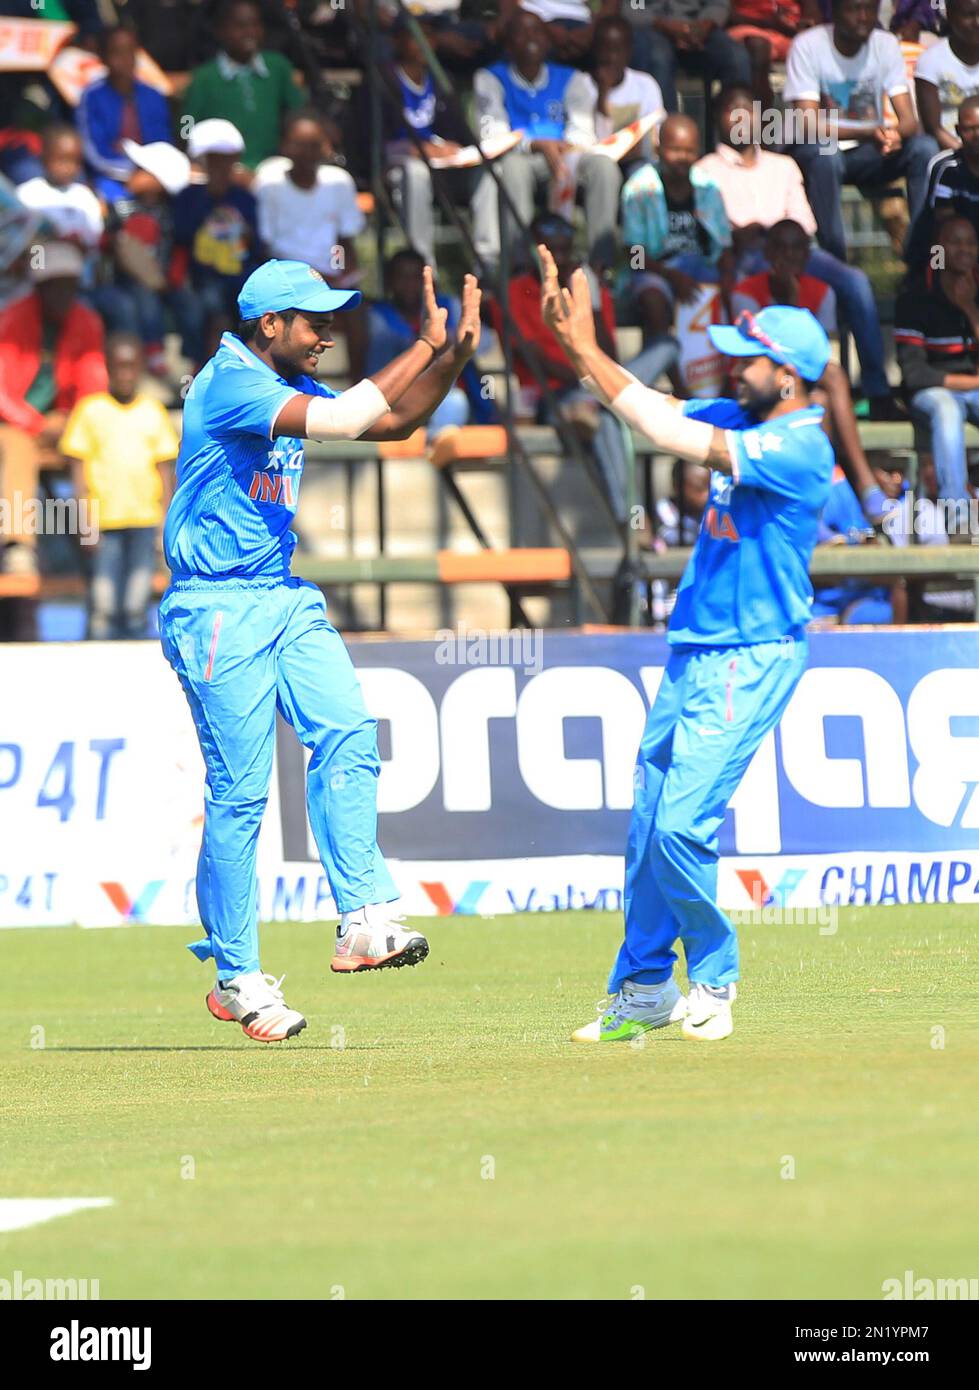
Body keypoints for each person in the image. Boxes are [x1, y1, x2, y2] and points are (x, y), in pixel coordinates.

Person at [160, 258, 482, 1042]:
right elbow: (346, 422)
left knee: (346, 730)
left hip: (281, 593)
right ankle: (236, 978)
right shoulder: (231, 382)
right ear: (269, 324)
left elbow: (394, 423)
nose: (326, 333)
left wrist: (451, 359)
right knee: (239, 796)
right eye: (313, 321)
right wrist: (424, 341)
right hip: (214, 609)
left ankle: (363, 919)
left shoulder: (284, 387)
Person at [538, 244, 835, 1043]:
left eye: (751, 363)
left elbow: (667, 433)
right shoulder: (743, 413)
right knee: (646, 829)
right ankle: (641, 988)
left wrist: (583, 351)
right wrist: (578, 348)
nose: (733, 371)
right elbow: (644, 400)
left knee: (680, 825)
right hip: (693, 651)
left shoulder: (802, 444)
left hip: (753, 653)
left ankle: (713, 976)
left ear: (790, 375)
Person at [697, 83, 897, 421]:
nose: (740, 118)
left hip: (796, 249)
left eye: (748, 110)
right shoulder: (705, 170)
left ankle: (877, 390)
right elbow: (716, 232)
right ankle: (750, 387)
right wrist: (747, 234)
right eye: (731, 110)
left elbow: (804, 223)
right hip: (745, 253)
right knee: (743, 281)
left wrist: (777, 238)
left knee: (855, 281)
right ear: (717, 118)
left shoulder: (783, 165)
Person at [784, 0, 939, 264]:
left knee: (924, 149)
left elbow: (909, 121)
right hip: (818, 150)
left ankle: (919, 256)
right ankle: (835, 262)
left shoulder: (885, 44)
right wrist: (872, 132)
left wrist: (894, 135)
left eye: (870, 9)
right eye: (854, 9)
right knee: (826, 156)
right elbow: (807, 124)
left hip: (870, 153)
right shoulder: (808, 45)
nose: (863, 17)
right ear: (835, 11)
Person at [472, 8, 621, 273]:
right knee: (513, 168)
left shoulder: (572, 78)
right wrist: (536, 144)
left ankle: (602, 265)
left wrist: (562, 149)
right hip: (523, 158)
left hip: (566, 158)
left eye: (537, 31)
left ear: (548, 39)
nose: (531, 37)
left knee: (603, 166)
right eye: (521, 32)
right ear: (508, 44)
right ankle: (522, 264)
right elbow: (492, 136)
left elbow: (583, 133)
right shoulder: (490, 78)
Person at [0, 242, 107, 596]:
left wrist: (70, 424)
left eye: (70, 285)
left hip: (60, 424)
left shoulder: (87, 322)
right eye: (56, 284)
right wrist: (34, 425)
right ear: (40, 287)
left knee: (99, 443)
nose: (64, 293)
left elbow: (93, 390)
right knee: (16, 448)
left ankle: (108, 536)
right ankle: (18, 545)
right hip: (14, 425)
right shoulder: (12, 319)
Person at [59, 333, 179, 639]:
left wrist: (165, 521)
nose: (125, 374)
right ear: (108, 368)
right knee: (103, 603)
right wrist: (83, 521)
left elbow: (165, 470)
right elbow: (77, 470)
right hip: (103, 523)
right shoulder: (90, 410)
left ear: (140, 368)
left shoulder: (152, 410)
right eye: (119, 367)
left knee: (136, 603)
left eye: (131, 366)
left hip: (143, 521)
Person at [254, 108, 367, 380]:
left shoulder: (339, 183)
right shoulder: (269, 184)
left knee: (359, 315)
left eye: (313, 145)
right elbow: (267, 247)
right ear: (284, 146)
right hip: (286, 277)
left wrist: (341, 273)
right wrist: (313, 277)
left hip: (331, 276)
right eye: (299, 145)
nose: (306, 152)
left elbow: (344, 241)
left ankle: (355, 390)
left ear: (324, 147)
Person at [621, 114, 733, 364]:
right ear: (659, 149)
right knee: (653, 297)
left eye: (689, 151)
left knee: (736, 294)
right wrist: (671, 276)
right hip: (655, 268)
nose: (683, 158)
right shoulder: (639, 189)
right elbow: (634, 257)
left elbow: (724, 245)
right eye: (675, 150)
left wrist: (727, 277)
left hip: (701, 266)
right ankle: (665, 371)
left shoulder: (708, 187)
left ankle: (726, 375)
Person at [895, 215, 979, 531]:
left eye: (971, 242)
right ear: (939, 249)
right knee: (945, 408)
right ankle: (957, 518)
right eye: (956, 242)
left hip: (970, 389)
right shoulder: (916, 295)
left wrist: (970, 310)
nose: (965, 249)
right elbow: (916, 375)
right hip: (930, 393)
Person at [367, 247, 491, 434]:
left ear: (429, 281)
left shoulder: (449, 307)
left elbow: (484, 345)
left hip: (441, 393)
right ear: (390, 282)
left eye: (416, 277)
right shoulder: (377, 316)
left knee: (454, 402)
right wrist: (426, 346)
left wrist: (455, 344)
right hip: (394, 397)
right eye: (402, 277)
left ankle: (436, 454)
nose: (409, 284)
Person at [172, 118, 262, 367]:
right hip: (201, 277)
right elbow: (182, 238)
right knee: (211, 307)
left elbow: (254, 245)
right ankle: (206, 373)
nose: (221, 167)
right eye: (215, 160)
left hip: (240, 275)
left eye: (226, 160)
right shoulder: (188, 198)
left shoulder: (246, 200)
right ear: (205, 162)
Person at [181, 0, 304, 173]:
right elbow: (187, 124)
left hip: (273, 167)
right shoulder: (205, 77)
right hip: (223, 171)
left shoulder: (277, 67)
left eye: (255, 24)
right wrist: (189, 152)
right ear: (221, 31)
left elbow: (298, 112)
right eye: (240, 26)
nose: (250, 32)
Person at [77, 24, 173, 205]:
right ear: (103, 58)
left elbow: (163, 142)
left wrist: (152, 172)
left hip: (153, 174)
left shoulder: (153, 96)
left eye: (130, 52)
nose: (125, 59)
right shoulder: (91, 97)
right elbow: (92, 150)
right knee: (116, 206)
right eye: (117, 53)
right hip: (109, 176)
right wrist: (130, 173)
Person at [631, 0, 752, 114]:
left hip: (698, 27)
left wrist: (704, 25)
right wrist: (660, 23)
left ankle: (737, 131)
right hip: (652, 29)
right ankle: (668, 131)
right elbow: (633, 6)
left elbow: (718, 3)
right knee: (657, 58)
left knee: (737, 58)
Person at [905, 93, 979, 266]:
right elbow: (943, 226)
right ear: (958, 130)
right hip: (956, 257)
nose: (977, 135)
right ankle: (936, 287)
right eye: (969, 129)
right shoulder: (946, 168)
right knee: (951, 237)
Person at [16, 125, 104, 261]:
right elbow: (20, 239)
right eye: (61, 160)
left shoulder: (84, 195)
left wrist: (78, 244)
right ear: (44, 158)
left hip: (80, 263)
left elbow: (94, 239)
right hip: (39, 264)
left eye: (74, 161)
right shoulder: (27, 194)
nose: (68, 168)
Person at [914, 0, 979, 152]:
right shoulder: (931, 60)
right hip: (951, 150)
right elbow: (934, 128)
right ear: (950, 15)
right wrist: (967, 157)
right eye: (969, 15)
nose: (977, 22)